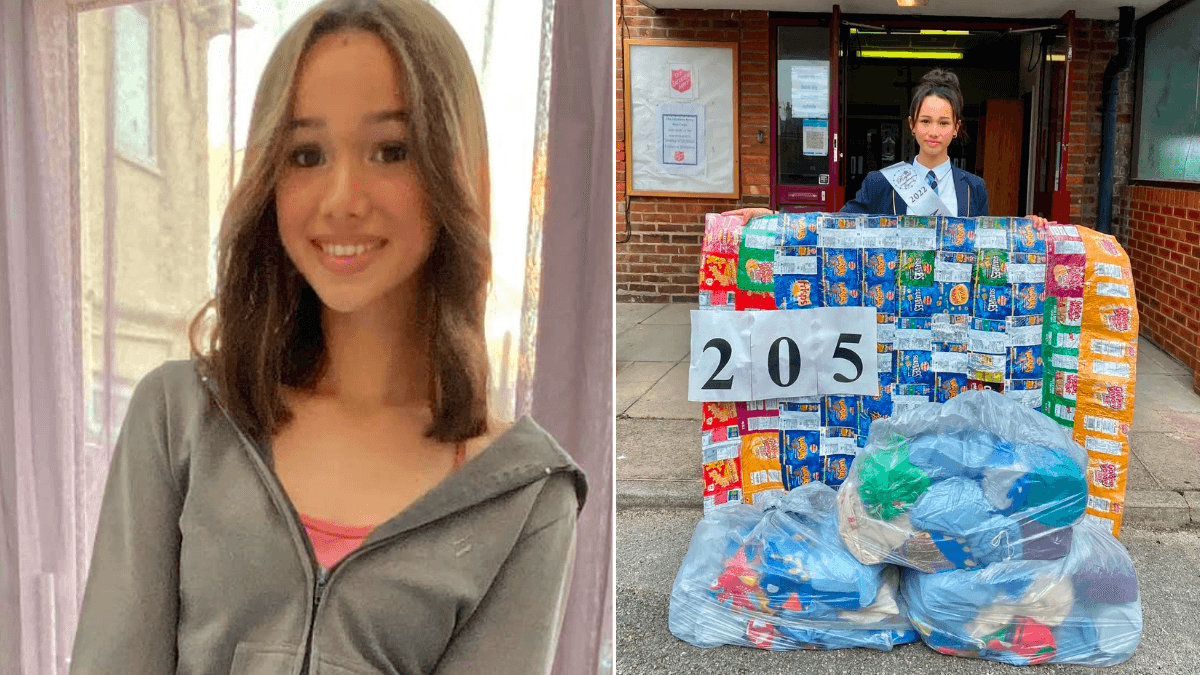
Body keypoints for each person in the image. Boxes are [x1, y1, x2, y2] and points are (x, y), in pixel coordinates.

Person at [68, 1, 586, 673]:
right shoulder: (179, 420)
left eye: (390, 150)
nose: (342, 196)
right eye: (306, 153)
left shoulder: (524, 495)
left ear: (453, 169)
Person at [724, 68, 1047, 227]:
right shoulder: (882, 183)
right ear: (911, 125)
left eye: (944, 123)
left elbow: (985, 246)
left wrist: (1028, 230)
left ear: (956, 128)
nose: (933, 132)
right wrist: (776, 218)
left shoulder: (973, 188)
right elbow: (838, 224)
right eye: (925, 121)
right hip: (896, 310)